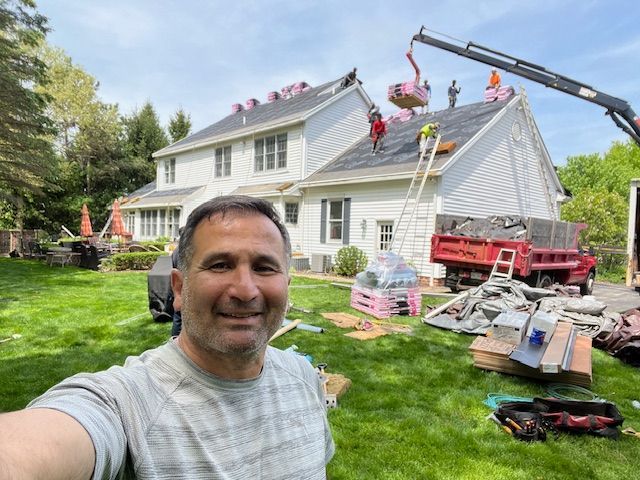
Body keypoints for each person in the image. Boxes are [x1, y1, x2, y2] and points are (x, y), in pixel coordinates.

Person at [0, 195, 335, 479]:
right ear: (179, 287)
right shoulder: (130, 404)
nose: (246, 290)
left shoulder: (304, 378)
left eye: (264, 267)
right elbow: (39, 442)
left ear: (287, 287)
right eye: (219, 265)